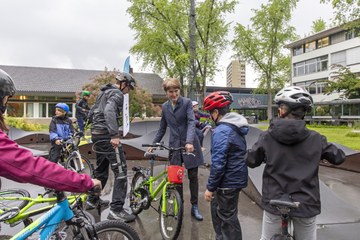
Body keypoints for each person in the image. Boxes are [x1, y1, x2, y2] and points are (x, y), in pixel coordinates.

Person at [246, 86, 346, 240]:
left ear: (283, 110)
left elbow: (251, 161)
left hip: (275, 202)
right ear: (303, 112)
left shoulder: (267, 137)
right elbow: (338, 158)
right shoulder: (316, 139)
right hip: (306, 204)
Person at [0, 68, 101, 193]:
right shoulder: (55, 120)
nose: (6, 103)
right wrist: (83, 182)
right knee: (53, 159)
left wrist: (73, 135)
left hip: (65, 142)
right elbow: (26, 166)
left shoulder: (68, 120)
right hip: (56, 143)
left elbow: (70, 129)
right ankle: (50, 184)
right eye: (6, 98)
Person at [150, 78, 204, 221]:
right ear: (166, 92)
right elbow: (162, 128)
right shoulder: (165, 107)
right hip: (174, 146)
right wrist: (154, 144)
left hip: (189, 144)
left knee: (193, 176)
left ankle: (195, 206)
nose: (173, 94)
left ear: (179, 90)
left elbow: (191, 122)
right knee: (176, 178)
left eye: (176, 91)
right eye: (170, 92)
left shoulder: (186, 103)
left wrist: (189, 141)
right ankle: (179, 205)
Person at [87, 72, 136, 222]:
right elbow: (108, 111)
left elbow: (92, 111)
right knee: (121, 171)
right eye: (129, 88)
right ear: (124, 84)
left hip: (97, 134)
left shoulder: (103, 93)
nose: (128, 91)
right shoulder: (117, 94)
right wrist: (114, 135)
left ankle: (92, 199)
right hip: (107, 135)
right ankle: (116, 210)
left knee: (101, 169)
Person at [203, 91, 249, 240]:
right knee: (224, 216)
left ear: (216, 112)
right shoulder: (233, 127)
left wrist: (210, 188)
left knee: (227, 220)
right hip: (234, 179)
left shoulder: (222, 131)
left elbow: (218, 163)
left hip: (227, 182)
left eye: (211, 113)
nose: (210, 117)